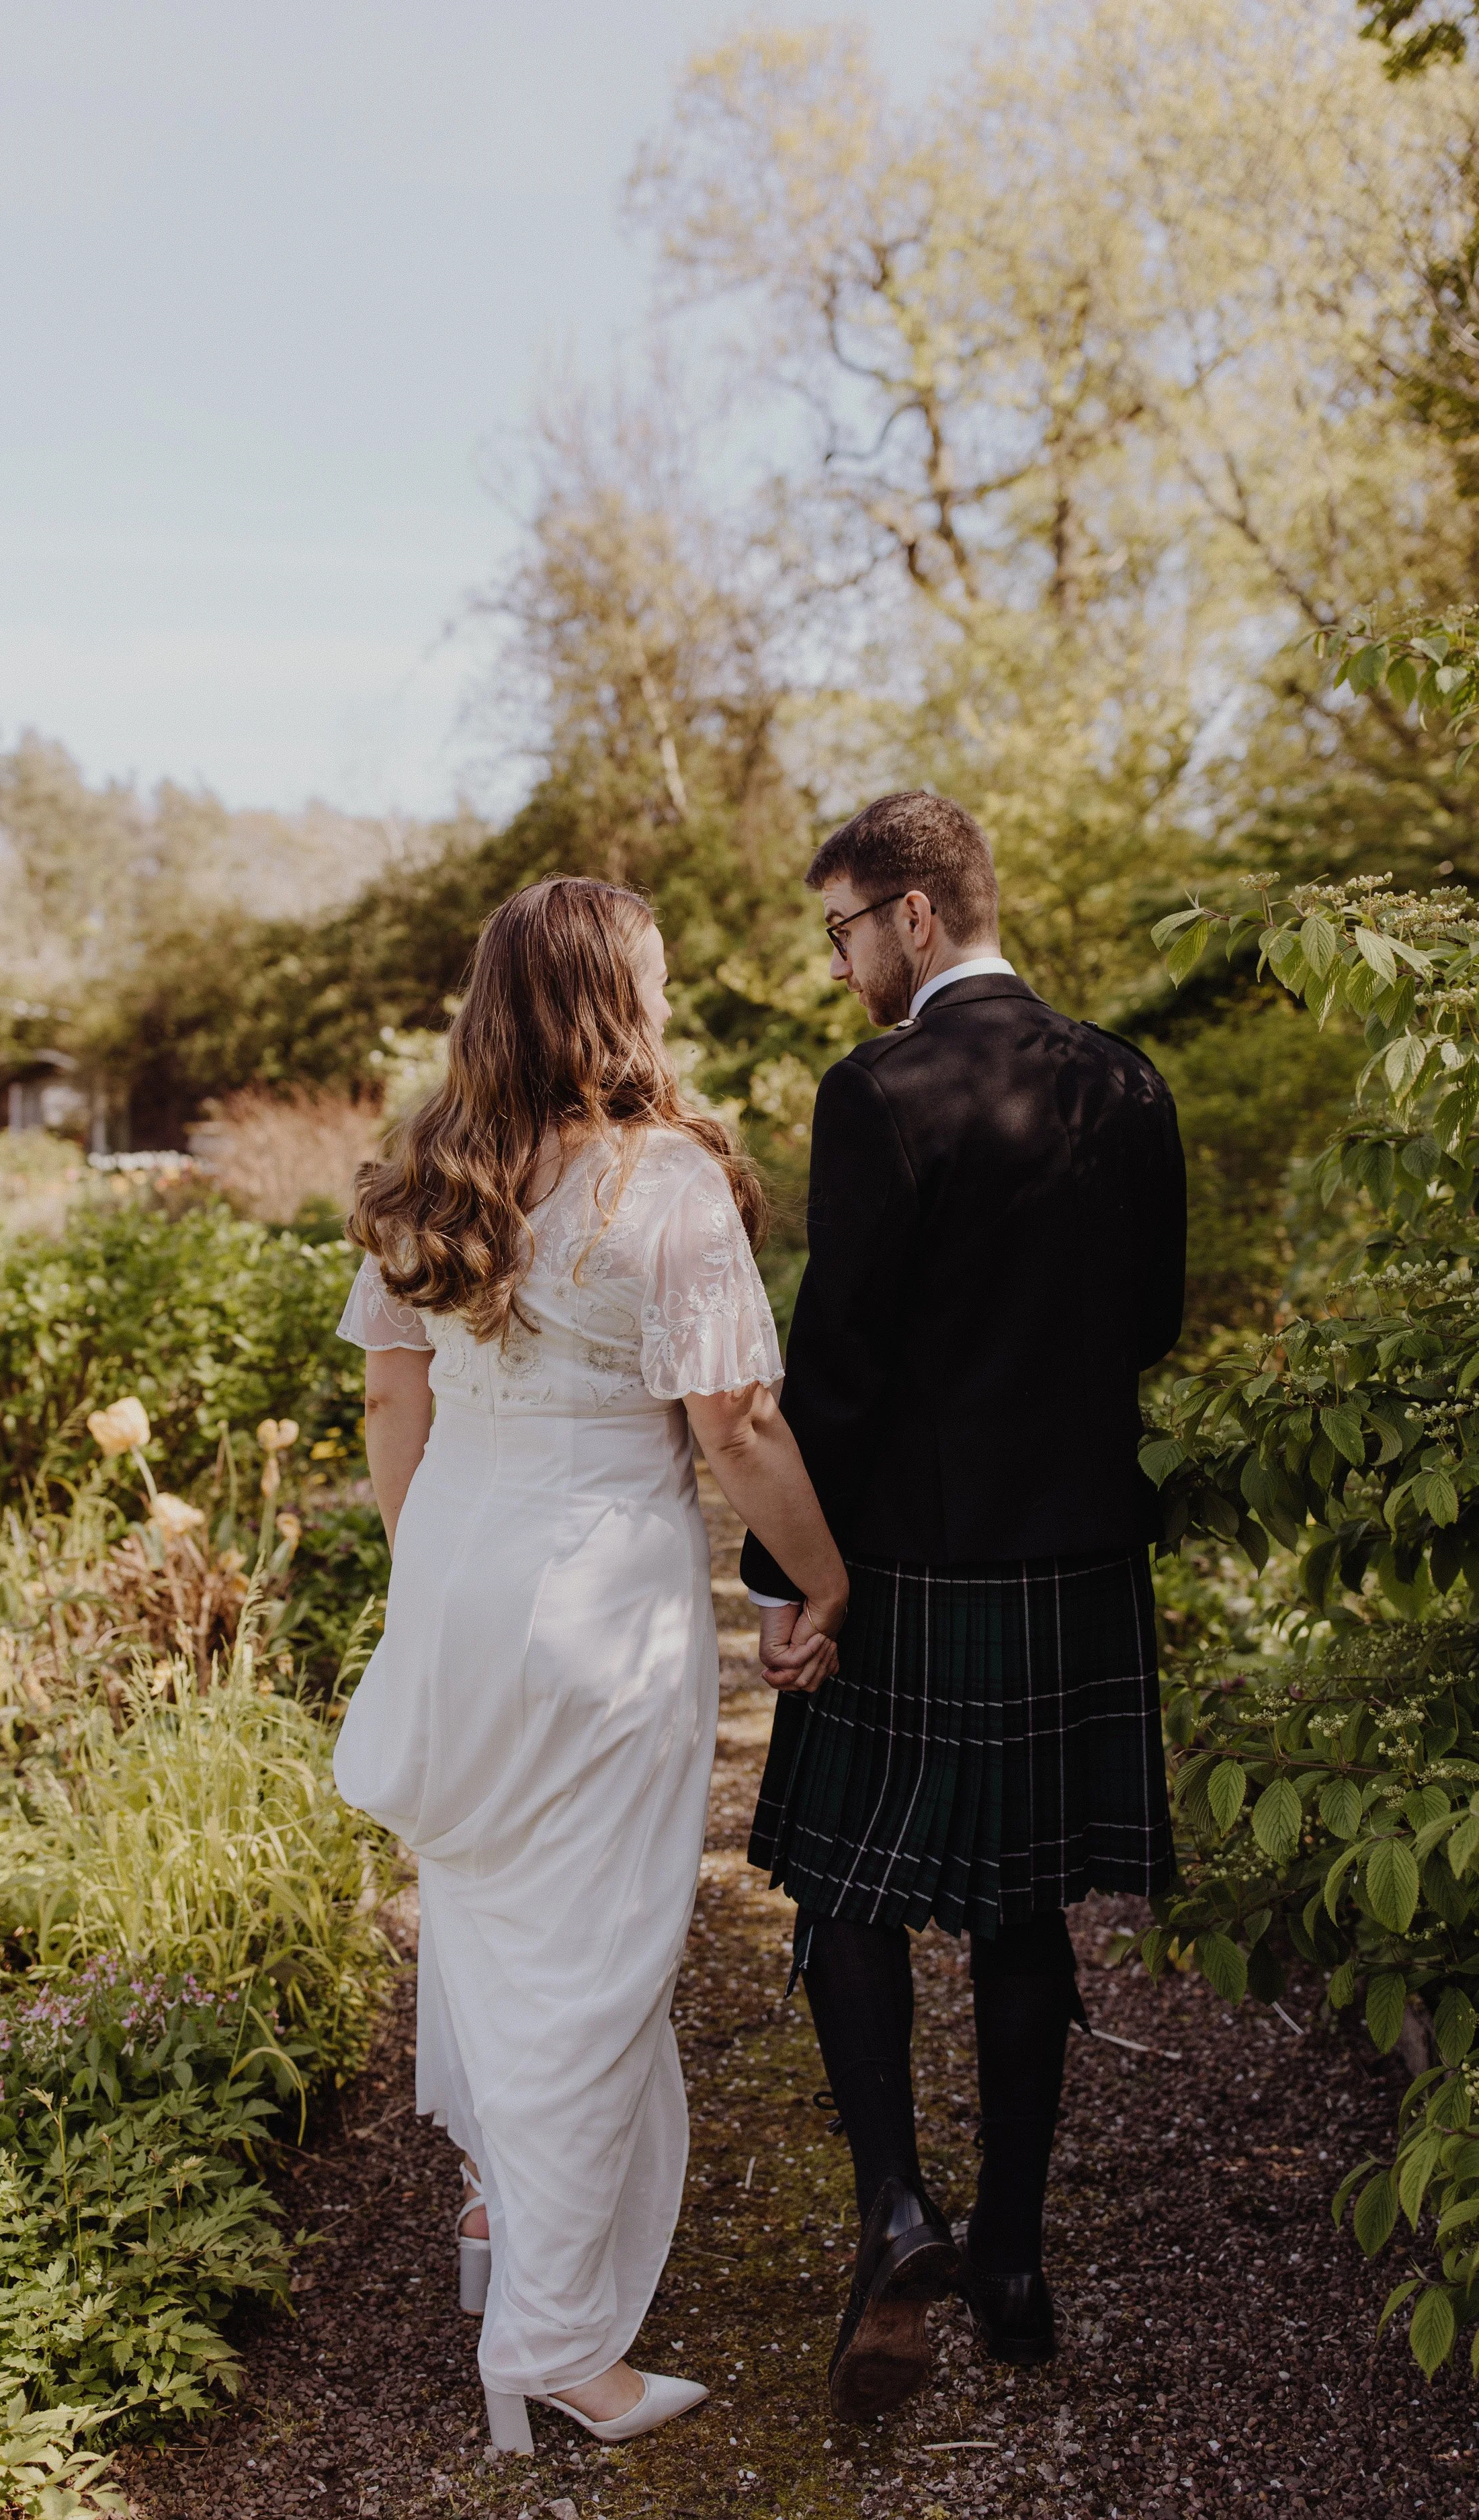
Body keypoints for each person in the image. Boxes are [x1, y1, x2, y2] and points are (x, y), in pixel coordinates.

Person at [332, 876, 849, 2455]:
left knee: (491, 1932)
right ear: (625, 1001)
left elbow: (388, 1410)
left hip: (459, 1580)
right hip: (603, 1600)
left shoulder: (426, 1173)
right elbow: (736, 1426)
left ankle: (507, 2250)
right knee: (599, 1962)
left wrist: (431, 1578)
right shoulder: (665, 1184)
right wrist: (821, 1577)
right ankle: (560, 2348)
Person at [743, 790, 1186, 2419]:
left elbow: (838, 1361)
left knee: (838, 1872)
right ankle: (1008, 2259)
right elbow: (1147, 1316)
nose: (841, 962)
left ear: (915, 917)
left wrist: (795, 1572)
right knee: (1022, 1899)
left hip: (919, 1558)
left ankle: (894, 2209)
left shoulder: (879, 1092)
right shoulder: (1122, 1081)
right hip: (1073, 1551)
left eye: (845, 928)